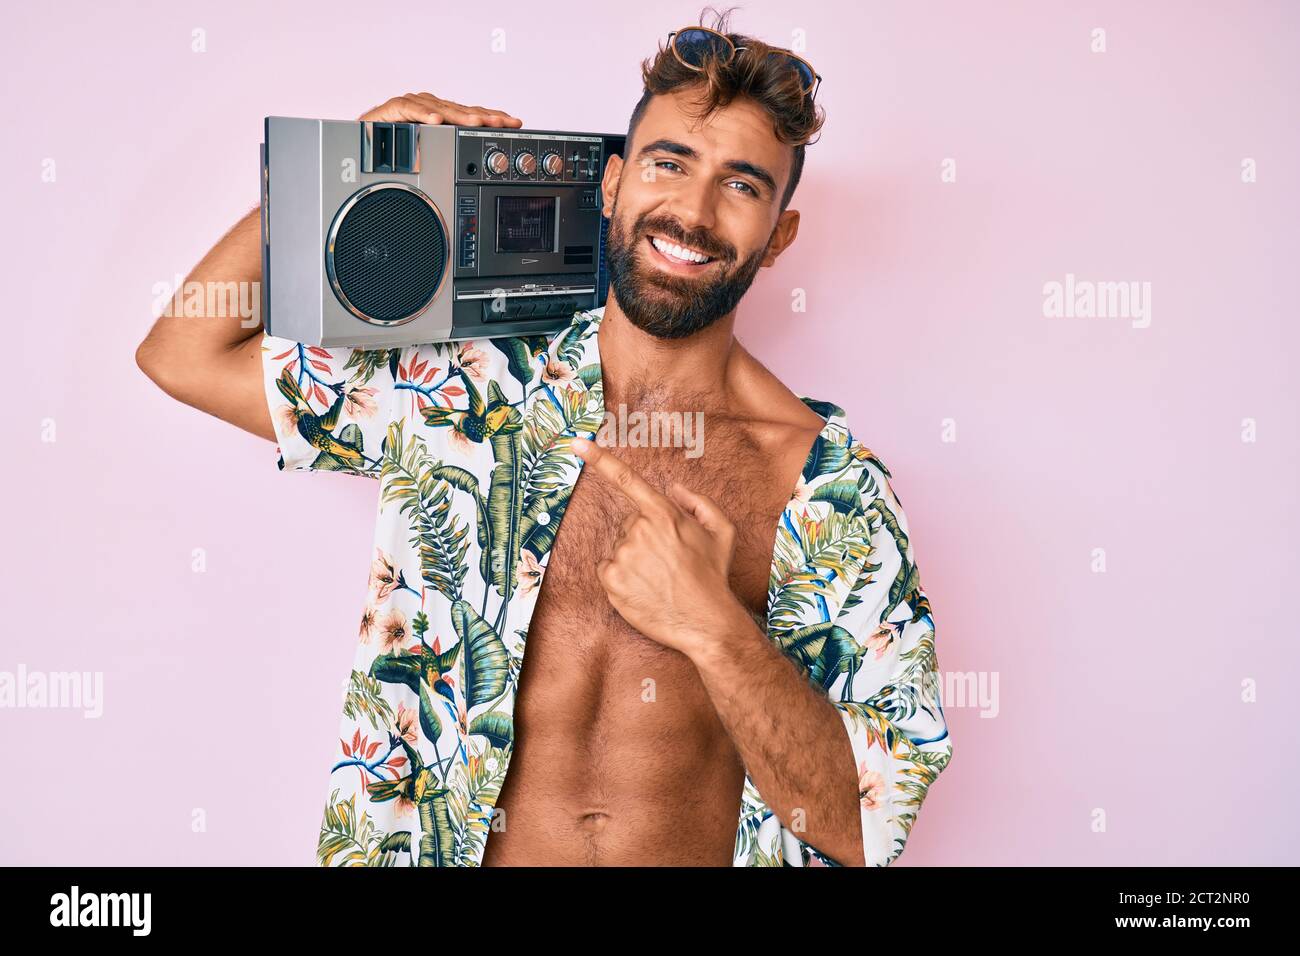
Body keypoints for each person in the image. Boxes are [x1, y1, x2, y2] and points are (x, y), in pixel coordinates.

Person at [136, 9, 953, 867]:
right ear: (611, 184)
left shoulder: (830, 491)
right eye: (669, 163)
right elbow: (183, 354)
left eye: (743, 185)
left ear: (779, 236)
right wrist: (321, 182)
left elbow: (860, 829)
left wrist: (716, 628)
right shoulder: (467, 392)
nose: (693, 211)